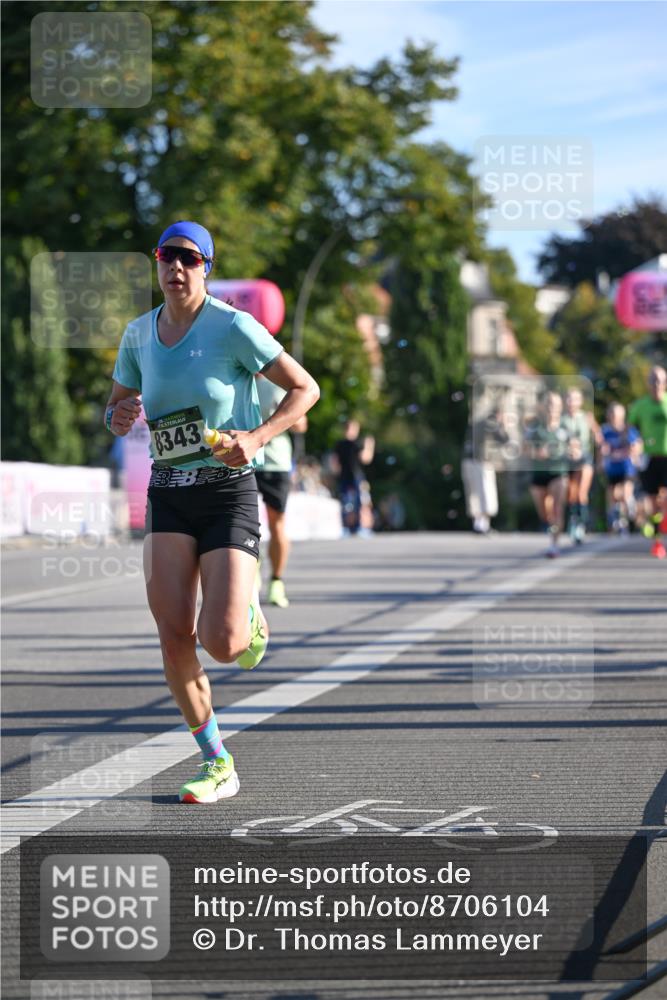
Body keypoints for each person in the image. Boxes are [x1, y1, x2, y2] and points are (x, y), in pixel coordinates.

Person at [105, 221, 319, 804]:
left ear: (207, 268)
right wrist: (118, 417)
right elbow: (119, 405)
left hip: (227, 489)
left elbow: (306, 389)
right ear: (156, 264)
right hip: (168, 490)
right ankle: (217, 760)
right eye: (166, 257)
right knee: (173, 632)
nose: (175, 268)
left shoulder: (232, 327)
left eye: (189, 259)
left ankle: (247, 614)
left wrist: (256, 436)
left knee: (221, 642)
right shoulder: (138, 334)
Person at [255, 373, 307, 608]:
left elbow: (301, 425)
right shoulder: (235, 379)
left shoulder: (278, 384)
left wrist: (282, 415)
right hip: (243, 460)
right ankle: (249, 573)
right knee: (240, 522)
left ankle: (276, 580)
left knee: (277, 524)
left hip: (275, 462)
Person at [525, 391, 570, 557]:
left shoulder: (565, 427)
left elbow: (576, 447)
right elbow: (525, 449)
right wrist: (536, 453)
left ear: (560, 407)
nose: (552, 408)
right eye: (549, 404)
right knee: (545, 513)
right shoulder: (535, 428)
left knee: (558, 508)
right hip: (538, 474)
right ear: (543, 407)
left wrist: (573, 452)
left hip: (558, 473)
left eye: (556, 405)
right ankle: (550, 527)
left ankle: (554, 545)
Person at [628, 366, 667, 558]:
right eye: (653, 380)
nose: (656, 384)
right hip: (649, 458)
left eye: (659, 380)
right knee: (653, 501)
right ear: (648, 383)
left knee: (665, 499)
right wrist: (635, 442)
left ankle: (662, 526)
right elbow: (631, 429)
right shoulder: (640, 406)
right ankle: (658, 541)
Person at [461, 406, 509, 534]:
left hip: (468, 460)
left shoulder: (476, 424)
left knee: (474, 493)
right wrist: (503, 425)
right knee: (485, 492)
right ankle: (483, 524)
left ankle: (478, 524)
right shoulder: (490, 424)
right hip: (480, 461)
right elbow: (504, 439)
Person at [561, 387, 599, 544]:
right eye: (569, 398)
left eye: (575, 399)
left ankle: (581, 525)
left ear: (580, 401)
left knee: (582, 493)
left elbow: (598, 436)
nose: (571, 402)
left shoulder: (586, 417)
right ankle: (573, 521)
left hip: (584, 458)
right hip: (568, 460)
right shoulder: (561, 419)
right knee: (571, 494)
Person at [600, 402, 642, 534]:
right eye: (612, 413)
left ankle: (631, 507)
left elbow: (638, 446)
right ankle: (619, 522)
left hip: (626, 467)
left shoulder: (629, 430)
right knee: (613, 496)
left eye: (617, 414)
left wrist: (634, 451)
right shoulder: (605, 431)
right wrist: (601, 460)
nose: (614, 417)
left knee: (625, 492)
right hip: (612, 468)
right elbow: (601, 448)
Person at [332, 419, 375, 535]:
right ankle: (346, 527)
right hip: (346, 477)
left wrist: (368, 446)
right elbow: (335, 462)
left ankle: (359, 527)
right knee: (346, 503)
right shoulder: (340, 444)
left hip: (357, 477)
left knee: (360, 502)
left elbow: (365, 459)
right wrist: (369, 446)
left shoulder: (357, 443)